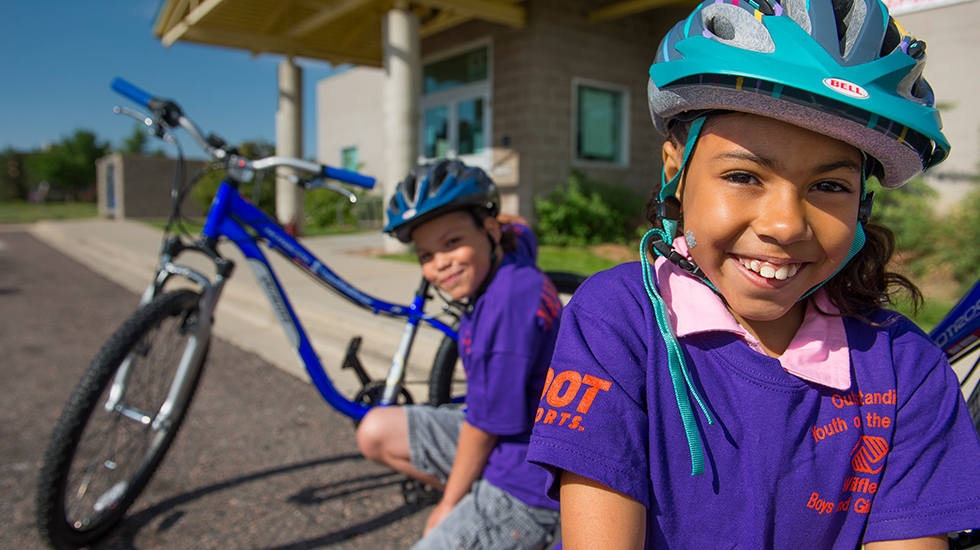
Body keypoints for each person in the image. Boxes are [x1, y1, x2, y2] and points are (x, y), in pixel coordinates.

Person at [526, 0, 980, 547]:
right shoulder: (620, 320)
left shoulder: (907, 369)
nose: (786, 225)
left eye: (830, 186)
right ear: (677, 170)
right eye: (744, 175)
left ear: (862, 204)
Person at [356, 160, 562, 550]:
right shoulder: (512, 254)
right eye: (425, 255)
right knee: (374, 432)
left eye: (452, 243)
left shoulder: (503, 311)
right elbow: (518, 225)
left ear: (487, 230)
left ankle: (506, 521)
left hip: (529, 478)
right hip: (517, 438)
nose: (440, 264)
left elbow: (483, 429)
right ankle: (474, 499)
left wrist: (447, 505)